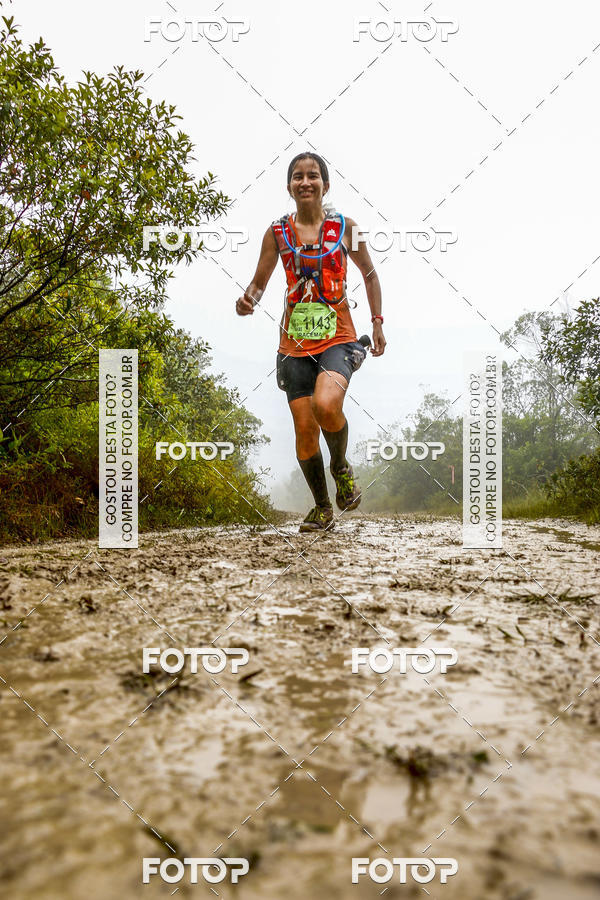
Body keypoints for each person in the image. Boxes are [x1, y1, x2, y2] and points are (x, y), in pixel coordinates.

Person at [236, 152, 385, 532]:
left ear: (325, 185)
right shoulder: (277, 234)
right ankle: (322, 508)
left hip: (339, 336)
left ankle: (340, 466)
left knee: (326, 403)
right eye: (298, 177)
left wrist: (378, 322)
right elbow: (260, 281)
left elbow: (369, 274)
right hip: (294, 345)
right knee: (304, 430)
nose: (306, 182)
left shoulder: (345, 228)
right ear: (289, 187)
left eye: (313, 176)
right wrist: (247, 300)